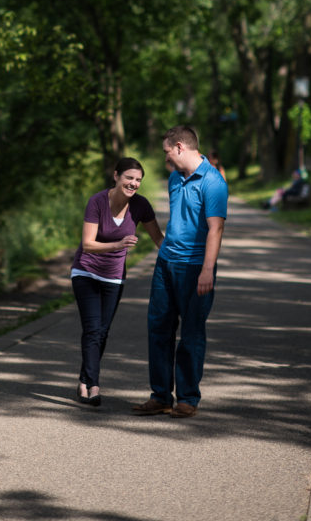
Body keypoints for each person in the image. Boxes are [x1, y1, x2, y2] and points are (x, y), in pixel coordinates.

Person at [133, 125, 228, 418]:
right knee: (159, 328)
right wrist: (162, 247)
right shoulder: (175, 178)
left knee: (191, 333)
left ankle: (187, 398)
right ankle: (160, 396)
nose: (167, 158)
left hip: (195, 267)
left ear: (179, 147)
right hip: (166, 264)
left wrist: (207, 270)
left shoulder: (213, 183)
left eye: (167, 151)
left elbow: (216, 228)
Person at [71, 157, 164, 407]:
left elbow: (159, 240)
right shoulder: (97, 202)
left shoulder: (141, 206)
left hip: (113, 277)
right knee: (92, 329)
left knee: (102, 332)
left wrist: (182, 261)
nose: (133, 183)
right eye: (129, 178)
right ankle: (94, 386)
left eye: (138, 180)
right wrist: (118, 244)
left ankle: (83, 380)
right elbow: (88, 244)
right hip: (86, 272)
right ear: (116, 176)